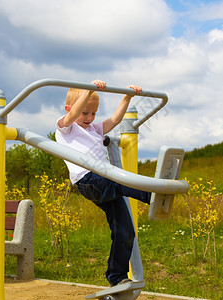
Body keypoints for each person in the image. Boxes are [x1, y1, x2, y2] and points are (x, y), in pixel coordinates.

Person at [55, 79, 151, 287]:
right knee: (118, 179)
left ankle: (116, 278)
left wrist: (127, 97)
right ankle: (151, 194)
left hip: (105, 181)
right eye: (85, 112)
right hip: (89, 180)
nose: (90, 118)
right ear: (70, 109)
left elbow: (114, 121)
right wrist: (88, 91)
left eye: (93, 113)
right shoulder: (66, 127)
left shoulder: (94, 130)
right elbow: (73, 115)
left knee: (125, 232)